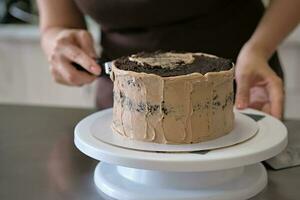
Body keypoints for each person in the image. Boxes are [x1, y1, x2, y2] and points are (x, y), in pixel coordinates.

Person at [37, 0, 300, 119]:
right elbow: (57, 23)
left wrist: (259, 48)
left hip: (237, 91)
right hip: (125, 104)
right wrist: (59, 42)